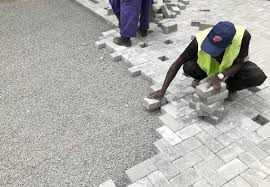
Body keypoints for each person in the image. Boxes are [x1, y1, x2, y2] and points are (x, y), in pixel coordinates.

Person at [148, 21, 267, 100]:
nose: (212, 51)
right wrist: (163, 90)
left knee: (256, 75)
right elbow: (178, 62)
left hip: (229, 70)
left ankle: (229, 88)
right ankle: (205, 80)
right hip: (209, 69)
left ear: (229, 43)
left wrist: (220, 76)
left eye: (217, 49)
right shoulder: (200, 39)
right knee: (188, 67)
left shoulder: (243, 36)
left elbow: (240, 63)